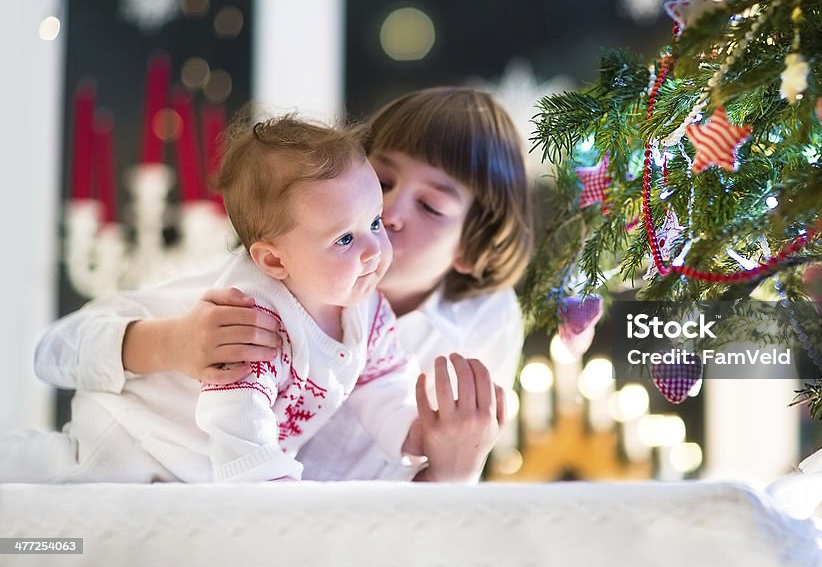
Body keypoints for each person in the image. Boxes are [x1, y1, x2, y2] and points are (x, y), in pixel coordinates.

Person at [33, 87, 533, 482]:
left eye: (430, 206)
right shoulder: (249, 299)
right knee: (44, 489)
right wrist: (170, 343)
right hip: (126, 446)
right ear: (273, 258)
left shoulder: (388, 313)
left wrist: (426, 442)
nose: (391, 218)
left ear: (473, 248)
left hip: (219, 505)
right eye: (382, 184)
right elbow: (54, 351)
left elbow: (383, 387)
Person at [5, 116, 430, 483]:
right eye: (343, 239)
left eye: (374, 221)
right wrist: (273, 487)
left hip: (197, 470)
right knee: (68, 473)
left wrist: (413, 434)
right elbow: (238, 416)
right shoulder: (252, 315)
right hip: (134, 431)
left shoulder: (368, 313)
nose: (374, 248)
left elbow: (383, 383)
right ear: (273, 260)